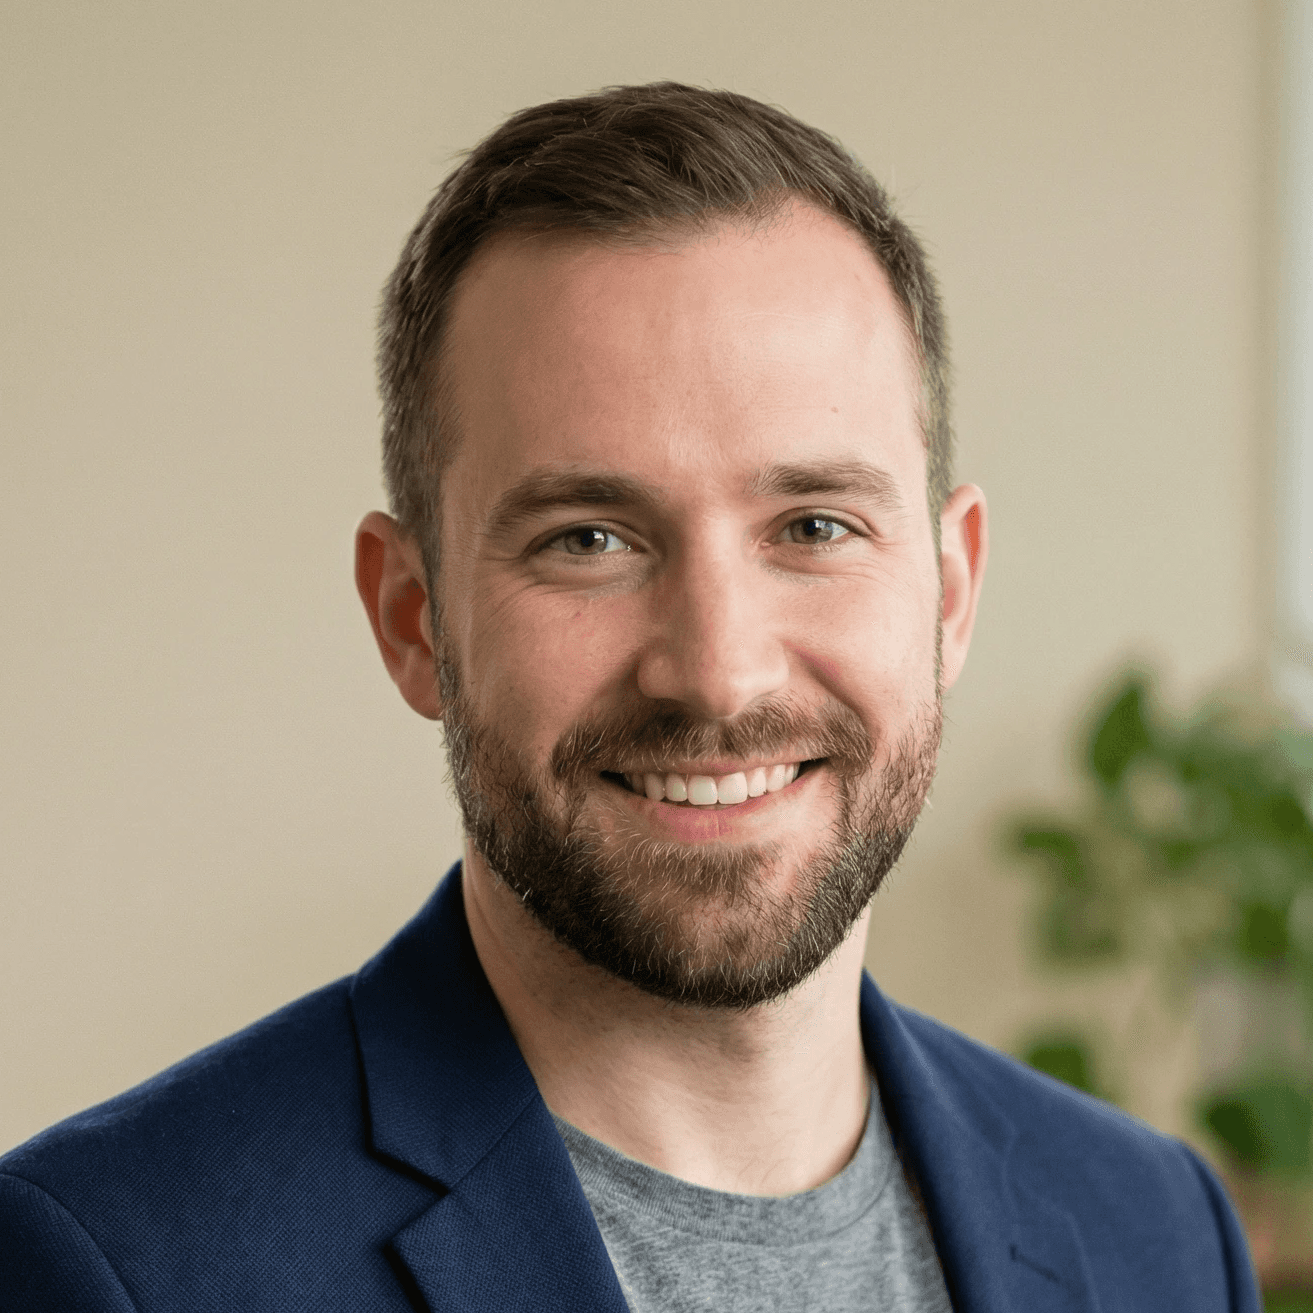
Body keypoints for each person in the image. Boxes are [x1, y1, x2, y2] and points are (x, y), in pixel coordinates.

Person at [0, 82, 1258, 1312]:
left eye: (812, 524)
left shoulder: (1154, 1228)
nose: (716, 669)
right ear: (412, 617)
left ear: (948, 589)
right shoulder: (118, 1262)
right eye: (588, 539)